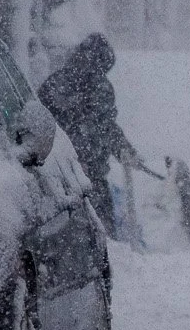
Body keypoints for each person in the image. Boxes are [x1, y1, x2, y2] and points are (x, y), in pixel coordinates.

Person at [35, 33, 145, 238]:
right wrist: (123, 150)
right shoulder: (98, 86)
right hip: (89, 178)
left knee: (60, 235)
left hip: (53, 176)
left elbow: (39, 122)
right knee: (100, 235)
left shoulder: (54, 82)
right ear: (102, 61)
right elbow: (104, 126)